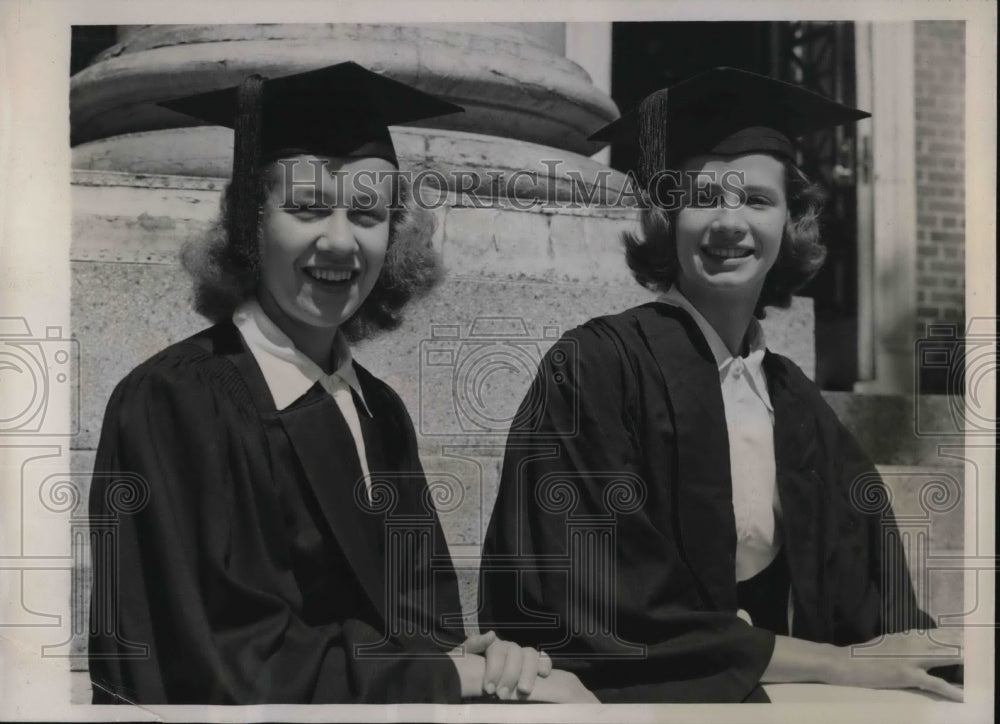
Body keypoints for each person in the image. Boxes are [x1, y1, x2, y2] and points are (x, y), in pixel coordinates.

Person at [88, 62, 594, 705]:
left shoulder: (378, 410)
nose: (338, 241)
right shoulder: (177, 401)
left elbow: (425, 628)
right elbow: (225, 660)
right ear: (248, 223)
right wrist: (445, 675)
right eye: (306, 208)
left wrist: (482, 661)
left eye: (366, 213)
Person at [479, 67, 963, 703]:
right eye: (704, 197)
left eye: (757, 201)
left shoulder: (793, 399)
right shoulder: (595, 367)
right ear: (668, 216)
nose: (730, 223)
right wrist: (834, 664)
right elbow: (598, 603)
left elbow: (865, 590)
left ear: (790, 221)